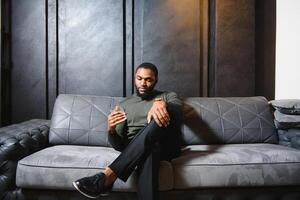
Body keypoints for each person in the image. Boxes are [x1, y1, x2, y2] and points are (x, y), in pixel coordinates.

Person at [72, 62, 182, 200]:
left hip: (166, 145)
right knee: (149, 150)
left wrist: (162, 104)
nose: (143, 83)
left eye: (148, 80)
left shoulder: (168, 96)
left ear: (156, 80)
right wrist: (111, 130)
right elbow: (118, 145)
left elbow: (178, 112)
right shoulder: (124, 104)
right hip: (138, 149)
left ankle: (108, 176)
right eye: (139, 78)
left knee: (163, 112)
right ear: (135, 78)